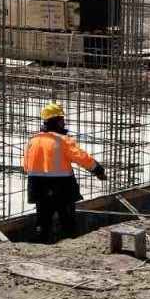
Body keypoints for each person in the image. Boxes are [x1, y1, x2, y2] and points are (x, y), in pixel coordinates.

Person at [22, 102, 106, 243]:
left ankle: (40, 241)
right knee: (67, 222)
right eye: (62, 119)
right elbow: (81, 157)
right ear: (56, 121)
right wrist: (98, 170)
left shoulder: (33, 140)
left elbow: (26, 166)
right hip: (61, 186)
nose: (64, 122)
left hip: (37, 185)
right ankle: (69, 242)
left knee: (43, 220)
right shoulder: (62, 140)